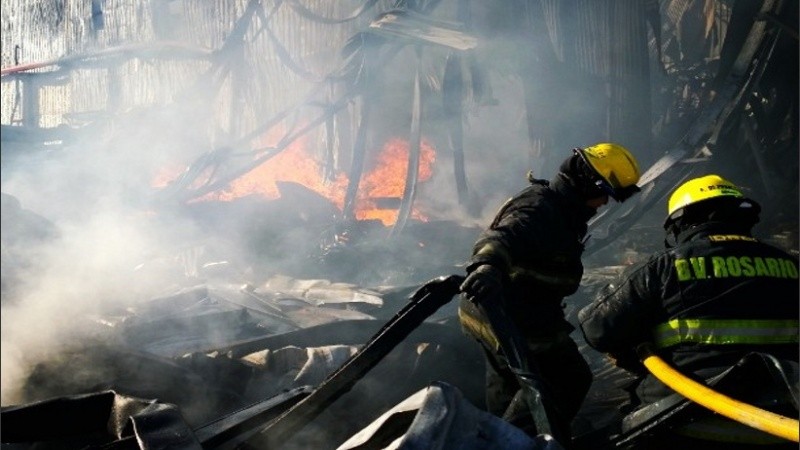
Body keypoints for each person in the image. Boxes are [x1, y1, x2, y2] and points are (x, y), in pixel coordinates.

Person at [578, 174, 799, 447]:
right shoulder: (790, 266)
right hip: (782, 419)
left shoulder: (663, 266)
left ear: (680, 222)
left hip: (683, 417)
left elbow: (597, 328)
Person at [458, 143, 642, 443]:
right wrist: (486, 266)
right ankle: (513, 443)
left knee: (509, 387)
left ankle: (502, 435)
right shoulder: (540, 208)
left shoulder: (560, 210)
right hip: (505, 313)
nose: (603, 204)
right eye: (603, 195)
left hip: (506, 310)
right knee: (568, 377)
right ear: (585, 183)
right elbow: (500, 238)